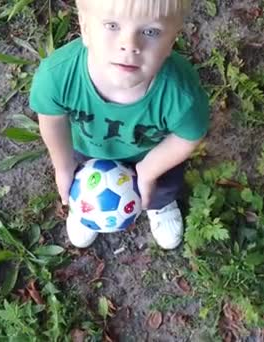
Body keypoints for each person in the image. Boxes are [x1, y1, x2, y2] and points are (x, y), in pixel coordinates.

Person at [29, 0, 209, 250]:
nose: (130, 45)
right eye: (112, 25)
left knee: (163, 185)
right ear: (85, 27)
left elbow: (188, 136)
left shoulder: (180, 94)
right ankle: (86, 203)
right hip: (88, 149)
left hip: (153, 152)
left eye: (150, 31)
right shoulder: (57, 76)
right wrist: (63, 166)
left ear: (171, 41)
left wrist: (148, 170)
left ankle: (159, 205)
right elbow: (51, 119)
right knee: (82, 179)